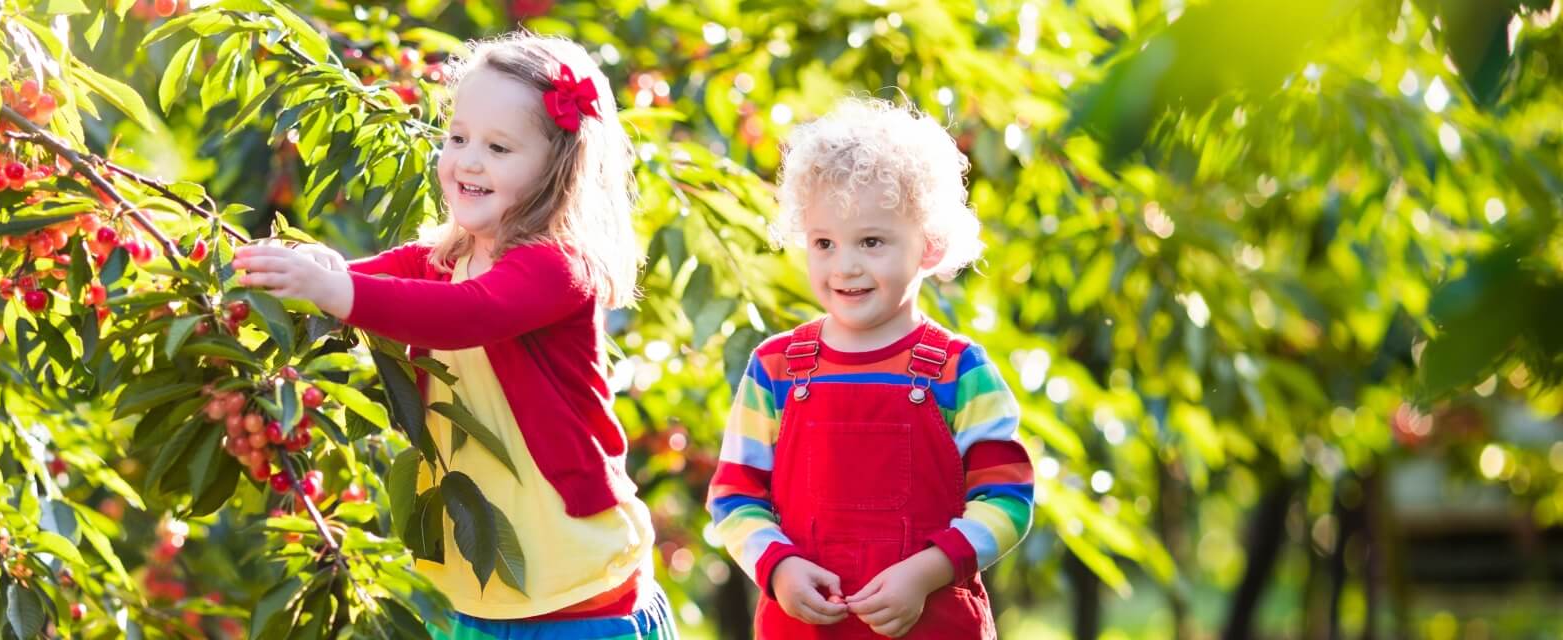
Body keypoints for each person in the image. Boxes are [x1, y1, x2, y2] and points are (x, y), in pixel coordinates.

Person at [232, 32, 677, 640]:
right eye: (458, 138)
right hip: (479, 591)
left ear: (557, 166)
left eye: (498, 147)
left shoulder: (559, 265)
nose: (467, 160)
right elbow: (358, 282)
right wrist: (302, 272)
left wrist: (332, 289)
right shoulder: (447, 255)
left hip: (580, 594)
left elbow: (461, 314)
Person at [706, 98, 1034, 639]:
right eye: (824, 243)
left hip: (933, 624)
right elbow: (734, 494)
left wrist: (928, 571)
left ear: (929, 246)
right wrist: (779, 568)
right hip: (804, 627)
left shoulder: (960, 370)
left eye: (872, 241)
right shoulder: (776, 368)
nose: (846, 265)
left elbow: (1007, 499)